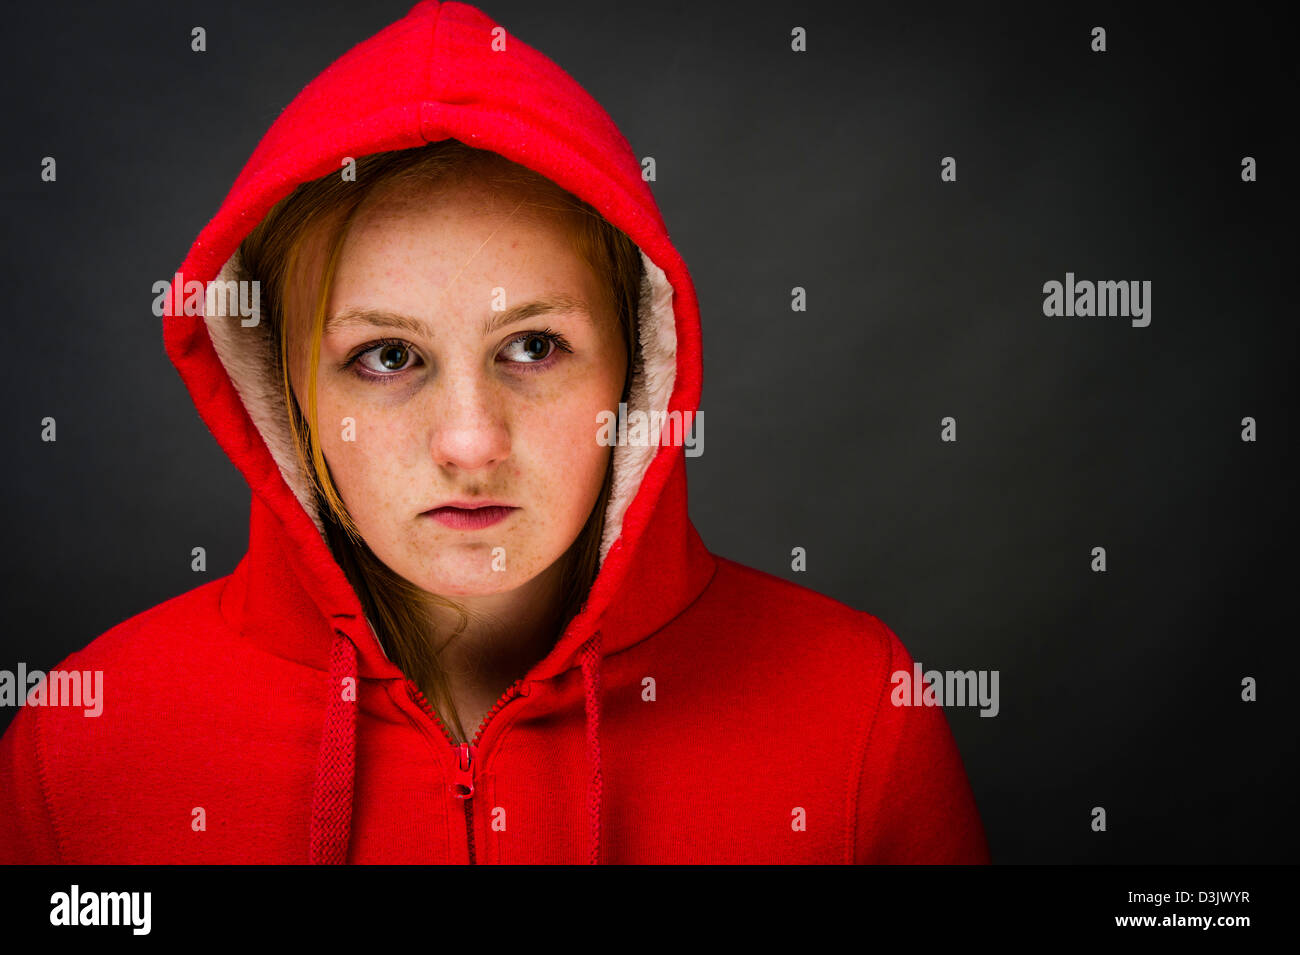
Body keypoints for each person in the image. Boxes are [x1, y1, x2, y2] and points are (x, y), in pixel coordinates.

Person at [0, 0, 990, 864]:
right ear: (278, 391)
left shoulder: (856, 710)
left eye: (533, 347)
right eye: (386, 357)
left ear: (639, 369)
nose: (471, 444)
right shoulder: (88, 737)